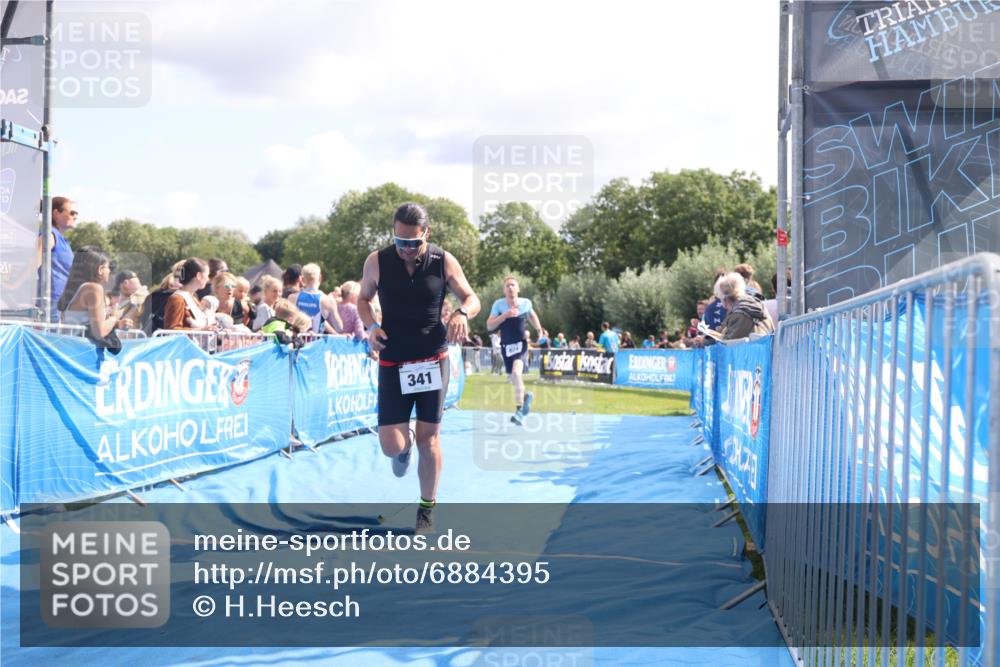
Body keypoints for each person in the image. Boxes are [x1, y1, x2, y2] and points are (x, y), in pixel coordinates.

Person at [357, 202, 480, 533]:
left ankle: (427, 507)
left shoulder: (443, 260)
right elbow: (363, 300)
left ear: (427, 233)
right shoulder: (377, 261)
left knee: (431, 439)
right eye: (400, 242)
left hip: (432, 359)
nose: (407, 250)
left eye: (413, 243)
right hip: (393, 360)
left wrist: (462, 314)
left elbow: (471, 297)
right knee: (391, 446)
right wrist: (371, 327)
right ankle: (404, 444)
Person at [487, 276, 543, 426]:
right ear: (504, 290)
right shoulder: (499, 305)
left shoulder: (525, 303)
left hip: (521, 345)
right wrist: (504, 316)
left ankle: (519, 411)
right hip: (506, 346)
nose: (510, 288)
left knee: (517, 374)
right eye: (507, 286)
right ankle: (526, 399)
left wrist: (539, 329)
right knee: (513, 379)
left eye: (513, 285)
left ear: (518, 289)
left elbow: (531, 314)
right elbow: (489, 326)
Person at [57, 246, 134, 341]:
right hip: (81, 350)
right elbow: (99, 333)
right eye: (108, 267)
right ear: (100, 269)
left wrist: (117, 324)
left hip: (71, 348)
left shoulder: (78, 289)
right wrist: (114, 317)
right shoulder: (94, 288)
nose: (109, 271)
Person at [37, 196, 78, 319]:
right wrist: (15, 286)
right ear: (56, 213)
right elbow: (33, 264)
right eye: (72, 212)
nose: (75, 216)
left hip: (61, 306)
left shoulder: (61, 239)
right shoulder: (50, 235)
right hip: (50, 307)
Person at [702, 272, 775, 341]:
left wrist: (705, 341)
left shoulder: (739, 314)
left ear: (724, 300)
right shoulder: (759, 305)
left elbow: (728, 343)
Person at [290, 263, 344, 334]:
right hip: (316, 343)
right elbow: (339, 328)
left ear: (302, 279)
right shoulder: (328, 300)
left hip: (296, 342)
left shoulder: (292, 298)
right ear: (320, 278)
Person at [163, 258, 214, 330]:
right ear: (199, 276)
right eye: (207, 275)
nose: (208, 279)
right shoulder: (177, 299)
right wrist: (201, 330)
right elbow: (172, 330)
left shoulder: (193, 298)